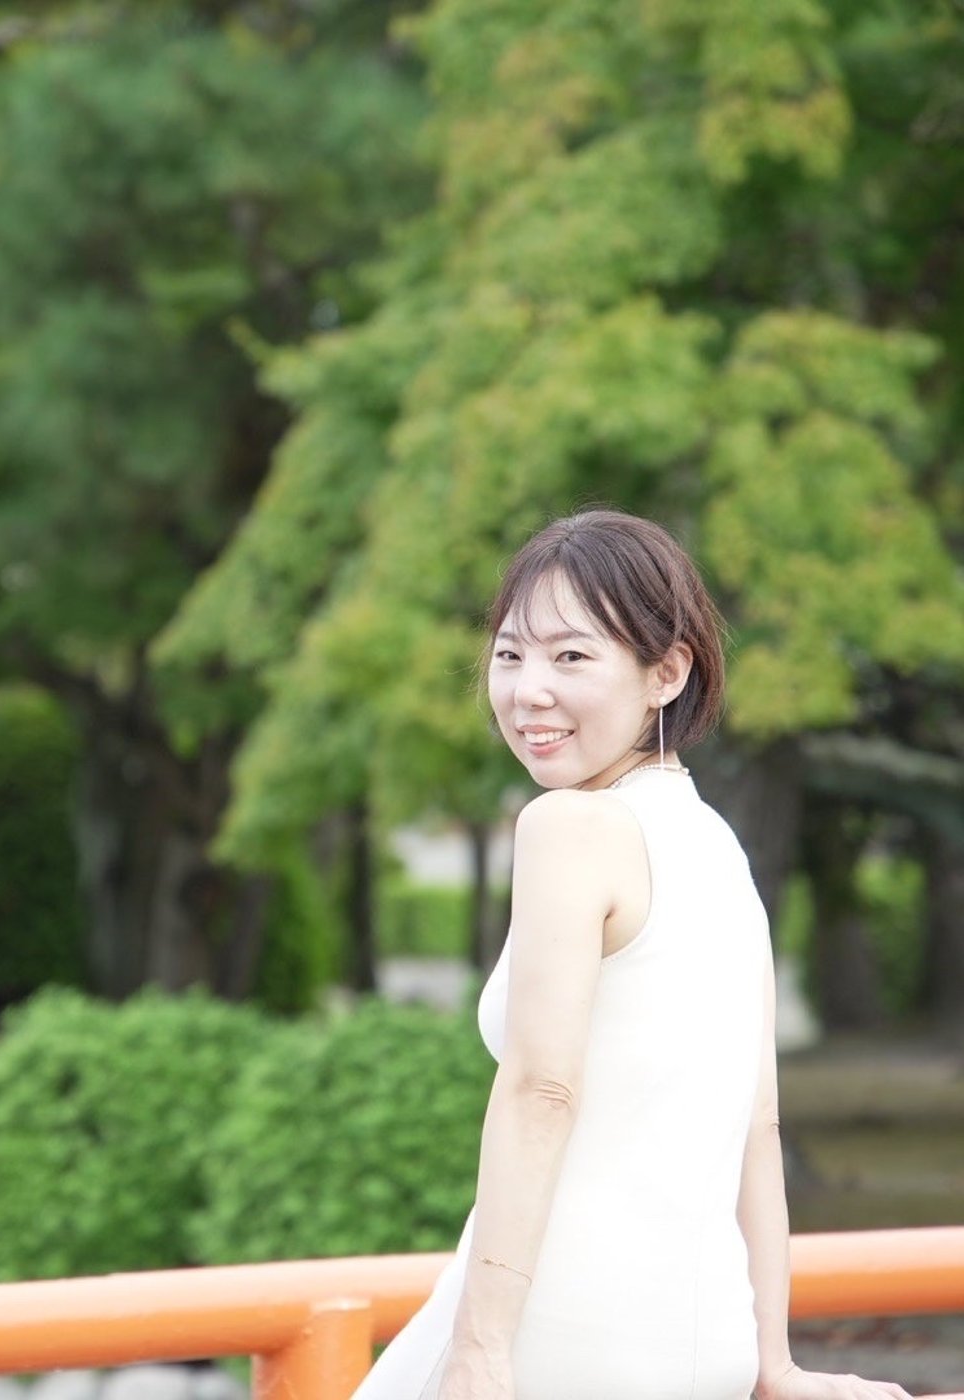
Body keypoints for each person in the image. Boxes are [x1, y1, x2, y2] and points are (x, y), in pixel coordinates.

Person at [350, 510, 911, 1400]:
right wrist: (770, 1362)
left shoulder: (569, 826)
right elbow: (757, 1127)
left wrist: (482, 1351)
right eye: (509, 654)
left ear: (667, 673)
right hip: (704, 1345)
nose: (529, 690)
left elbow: (541, 1090)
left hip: (557, 1335)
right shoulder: (717, 847)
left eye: (571, 656)